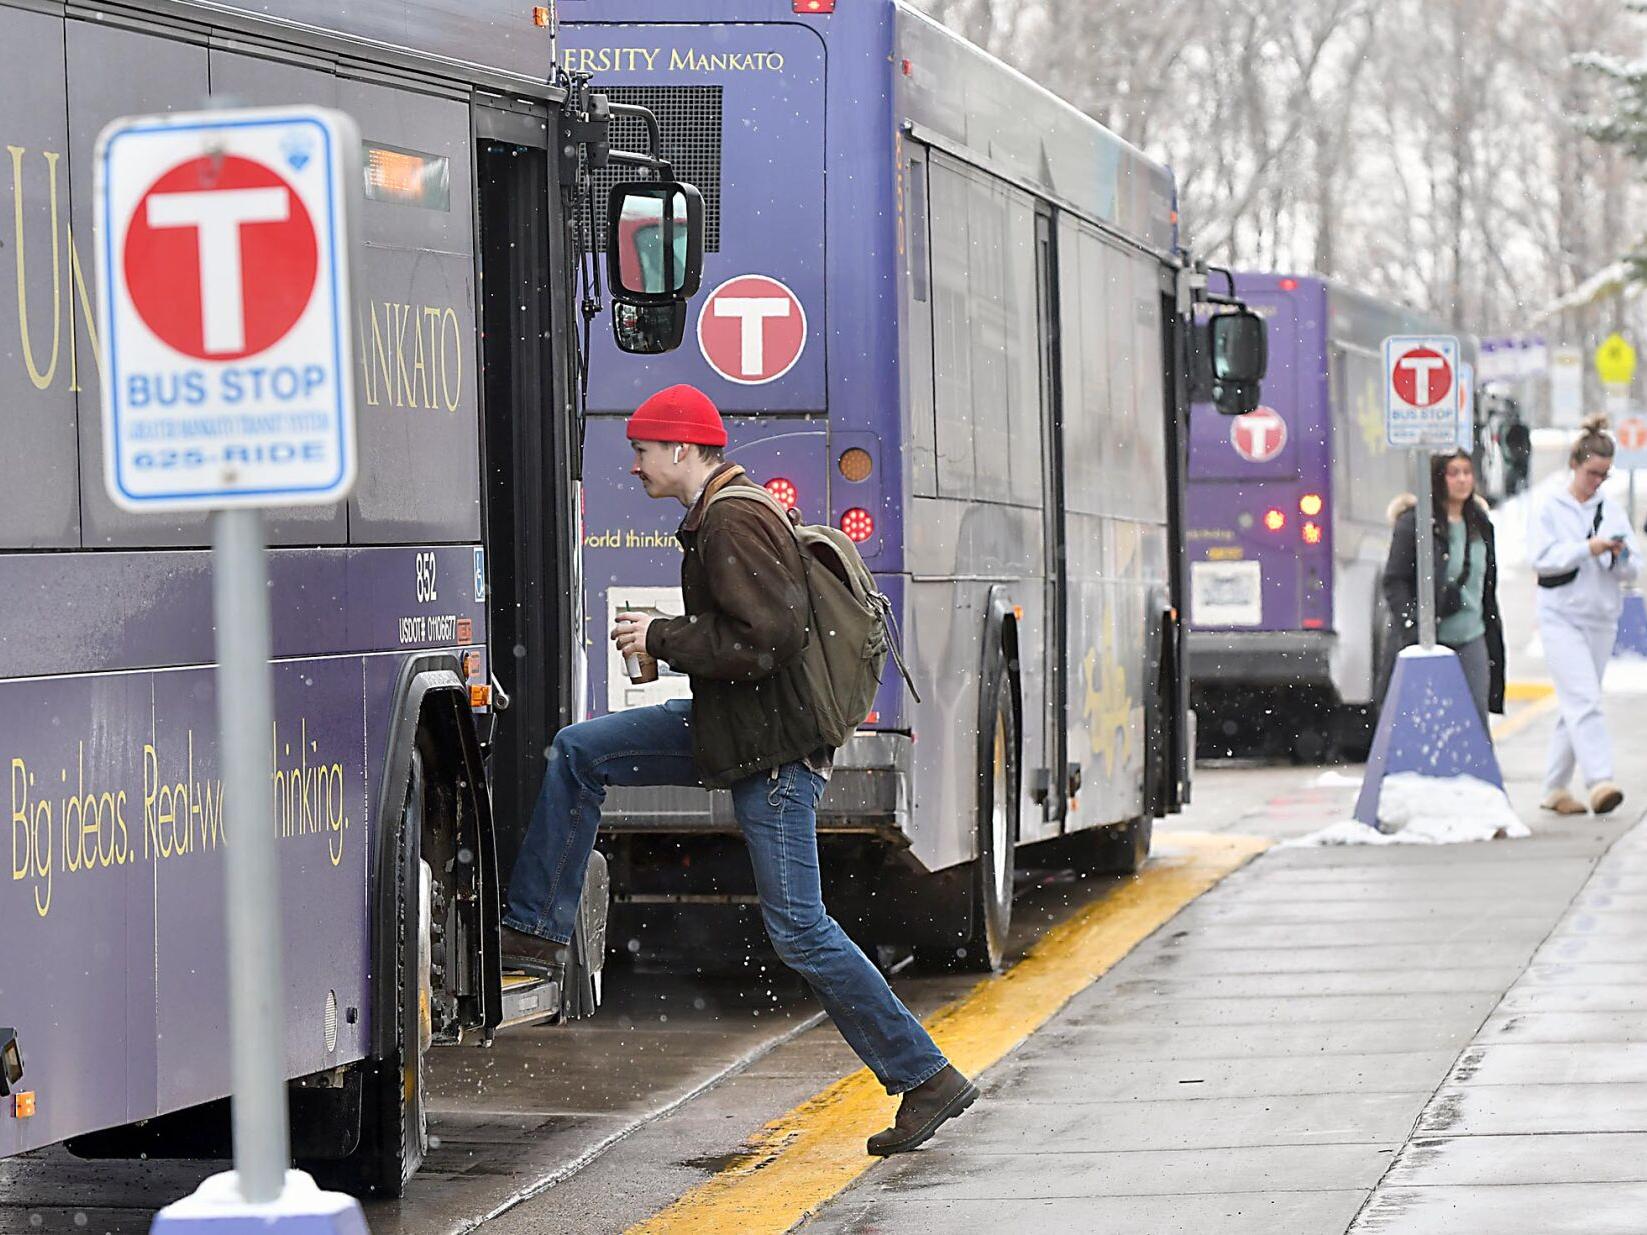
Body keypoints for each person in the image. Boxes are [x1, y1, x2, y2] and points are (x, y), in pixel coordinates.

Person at [497, 384, 977, 1155]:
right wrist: (667, 641)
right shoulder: (724, 513)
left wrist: (664, 634)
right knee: (580, 752)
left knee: (800, 930)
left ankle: (925, 1076)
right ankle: (536, 933)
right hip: (739, 728)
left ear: (683, 450)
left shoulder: (732, 518)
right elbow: (752, 635)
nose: (635, 465)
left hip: (775, 750)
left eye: (645, 450)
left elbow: (769, 638)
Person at [1530, 414, 1638, 816]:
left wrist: (1617, 556)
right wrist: (1586, 548)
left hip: (1601, 615)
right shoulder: (1548, 507)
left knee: (1576, 704)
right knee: (1585, 700)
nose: (1597, 481)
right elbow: (1541, 559)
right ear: (1575, 464)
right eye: (1593, 472)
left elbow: (1634, 567)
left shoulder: (1612, 511)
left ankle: (1554, 787)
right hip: (1561, 616)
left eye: (1604, 475)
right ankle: (1600, 781)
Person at [1381, 450, 1506, 726]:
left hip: (1473, 634)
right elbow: (1394, 580)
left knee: (1475, 717)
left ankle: (1478, 769)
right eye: (1454, 473)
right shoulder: (1416, 523)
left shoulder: (1481, 525)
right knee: (1429, 720)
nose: (1462, 480)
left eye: (1467, 472)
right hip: (1431, 637)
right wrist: (1413, 626)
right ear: (1439, 479)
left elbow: (1487, 587)